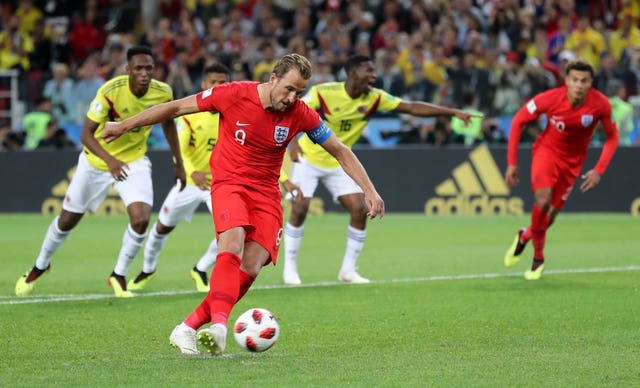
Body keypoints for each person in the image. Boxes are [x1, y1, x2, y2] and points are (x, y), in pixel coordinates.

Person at [100, 53, 384, 355]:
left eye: (299, 92)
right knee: (231, 244)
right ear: (272, 78)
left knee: (251, 266)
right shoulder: (233, 94)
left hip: (266, 194)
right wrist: (123, 126)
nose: (292, 98)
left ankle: (186, 328)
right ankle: (220, 326)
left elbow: (340, 150)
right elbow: (175, 108)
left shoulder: (301, 113)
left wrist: (369, 189)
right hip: (229, 184)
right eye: (288, 89)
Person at [282, 54, 475, 285]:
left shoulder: (375, 98)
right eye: (368, 71)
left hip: (340, 162)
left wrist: (451, 112)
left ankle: (348, 270)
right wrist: (292, 143)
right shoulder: (324, 92)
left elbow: (411, 107)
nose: (373, 76)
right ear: (353, 74)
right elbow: (293, 111)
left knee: (359, 210)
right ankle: (290, 269)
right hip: (308, 159)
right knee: (300, 207)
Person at [15, 45, 186, 298]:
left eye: (149, 68)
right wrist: (110, 161)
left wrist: (179, 162)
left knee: (140, 220)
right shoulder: (110, 91)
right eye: (138, 68)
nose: (144, 73)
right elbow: (86, 135)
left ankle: (118, 275)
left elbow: (169, 124)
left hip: (134, 161)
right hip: (96, 162)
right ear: (127, 69)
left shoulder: (163, 92)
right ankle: (40, 266)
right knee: (67, 221)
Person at [126, 63, 303, 293]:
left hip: (223, 184)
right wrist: (192, 173)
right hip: (190, 183)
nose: (218, 86)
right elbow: (179, 150)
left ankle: (200, 268)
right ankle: (148, 269)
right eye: (213, 83)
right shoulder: (192, 116)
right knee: (161, 227)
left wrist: (285, 178)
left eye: (222, 82)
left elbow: (261, 155)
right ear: (204, 85)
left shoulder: (238, 110)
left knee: (233, 231)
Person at [503, 59, 619, 280]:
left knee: (551, 216)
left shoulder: (600, 104)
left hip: (573, 164)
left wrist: (599, 170)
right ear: (566, 81)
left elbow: (613, 137)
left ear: (590, 83)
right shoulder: (550, 98)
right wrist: (511, 162)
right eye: (574, 79)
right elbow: (519, 120)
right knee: (543, 201)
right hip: (546, 153)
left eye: (584, 81)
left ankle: (524, 236)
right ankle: (538, 259)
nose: (578, 85)